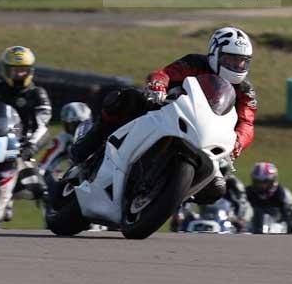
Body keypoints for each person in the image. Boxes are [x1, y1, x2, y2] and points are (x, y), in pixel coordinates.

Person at [70, 26, 257, 203]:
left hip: (206, 136)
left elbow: (247, 123)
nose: (237, 65)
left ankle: (171, 197)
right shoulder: (195, 62)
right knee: (122, 99)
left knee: (217, 187)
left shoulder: (245, 91)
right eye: (231, 59)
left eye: (242, 61)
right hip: (168, 112)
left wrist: (238, 142)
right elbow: (165, 74)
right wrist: (157, 85)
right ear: (215, 54)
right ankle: (89, 145)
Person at [0, 46, 52, 219]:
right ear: (5, 70)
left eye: (22, 71)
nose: (18, 75)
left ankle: (54, 219)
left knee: (41, 187)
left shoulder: (37, 94)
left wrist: (30, 147)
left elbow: (43, 125)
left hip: (20, 148)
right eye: (13, 71)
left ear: (30, 71)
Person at [246, 162, 292, 234]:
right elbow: (240, 210)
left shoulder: (282, 193)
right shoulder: (246, 192)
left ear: (273, 180)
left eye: (265, 182)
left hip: (276, 225)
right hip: (251, 225)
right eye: (258, 182)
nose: (262, 186)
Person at [41, 101, 92, 180]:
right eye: (69, 125)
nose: (71, 128)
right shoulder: (63, 139)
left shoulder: (101, 135)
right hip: (78, 179)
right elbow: (43, 165)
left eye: (74, 124)